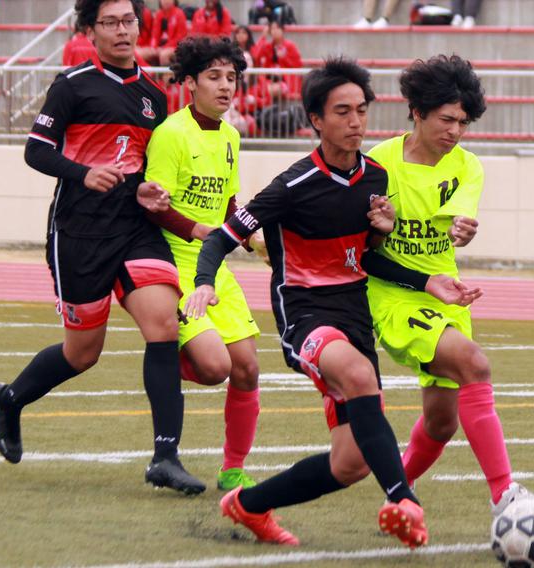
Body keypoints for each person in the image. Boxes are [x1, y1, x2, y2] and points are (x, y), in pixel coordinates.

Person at [185, 57, 450, 549]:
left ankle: (249, 505)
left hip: (354, 317)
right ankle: (403, 499)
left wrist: (424, 278)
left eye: (362, 111)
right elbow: (220, 239)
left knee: (348, 463)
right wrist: (204, 282)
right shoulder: (291, 186)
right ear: (315, 120)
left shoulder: (375, 180)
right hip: (304, 315)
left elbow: (365, 260)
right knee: (358, 377)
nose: (356, 122)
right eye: (343, 112)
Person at [0, 0, 205, 495]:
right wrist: (83, 173)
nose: (123, 30)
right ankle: (10, 400)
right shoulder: (71, 85)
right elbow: (35, 150)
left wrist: (150, 190)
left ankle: (165, 455)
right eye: (110, 22)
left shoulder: (154, 92)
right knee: (83, 354)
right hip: (79, 233)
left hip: (134, 229)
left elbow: (149, 168)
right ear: (90, 30)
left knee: (162, 322)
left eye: (129, 20)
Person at [363, 54, 534, 518]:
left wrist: (464, 230)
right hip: (394, 295)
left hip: (447, 295)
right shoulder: (378, 163)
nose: (455, 131)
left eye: (463, 122)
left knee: (441, 420)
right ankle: (505, 495)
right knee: (475, 365)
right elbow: (363, 250)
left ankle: (398, 489)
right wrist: (382, 230)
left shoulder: (467, 166)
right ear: (417, 111)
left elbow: (461, 220)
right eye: (447, 119)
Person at [142, 35, 262, 491]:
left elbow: (229, 202)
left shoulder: (231, 135)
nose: (226, 86)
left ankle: (232, 469)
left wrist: (250, 235)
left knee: (248, 367)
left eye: (232, 77)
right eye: (214, 77)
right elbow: (155, 206)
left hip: (217, 265)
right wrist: (201, 232)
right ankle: (167, 356)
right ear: (189, 82)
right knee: (215, 368)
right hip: (177, 263)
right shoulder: (171, 134)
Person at [141, 0, 187, 66]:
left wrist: (164, 47)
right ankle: (149, 74)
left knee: (164, 55)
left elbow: (180, 37)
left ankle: (165, 76)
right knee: (141, 53)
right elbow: (154, 35)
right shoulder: (158, 14)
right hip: (160, 47)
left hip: (175, 47)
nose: (166, 1)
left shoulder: (179, 13)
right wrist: (153, 47)